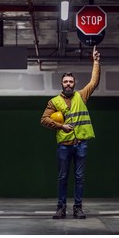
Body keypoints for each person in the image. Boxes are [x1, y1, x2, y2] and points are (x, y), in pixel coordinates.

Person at [40, 46, 101, 219]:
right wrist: (61, 127)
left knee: (80, 178)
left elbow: (94, 82)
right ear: (62, 83)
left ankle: (78, 208)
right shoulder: (54, 102)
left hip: (81, 144)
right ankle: (61, 208)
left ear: (74, 84)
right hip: (64, 146)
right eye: (66, 81)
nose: (68, 84)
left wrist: (96, 62)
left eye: (71, 82)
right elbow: (43, 119)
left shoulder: (81, 96)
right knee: (62, 178)